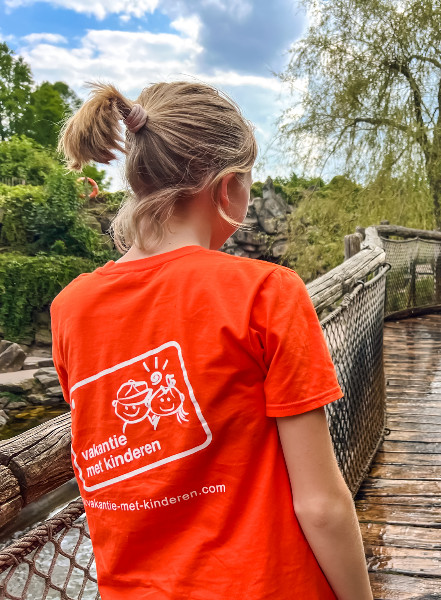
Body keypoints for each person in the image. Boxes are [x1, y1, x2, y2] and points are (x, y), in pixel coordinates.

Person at [51, 82, 373, 600]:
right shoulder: (267, 291)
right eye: (248, 185)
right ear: (227, 188)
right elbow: (320, 506)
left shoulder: (70, 309)